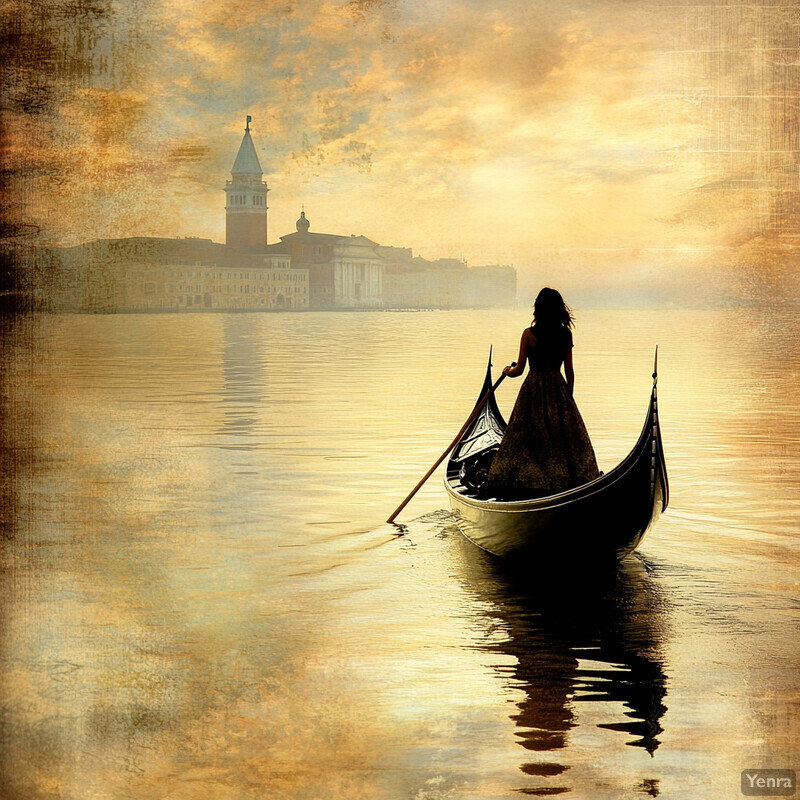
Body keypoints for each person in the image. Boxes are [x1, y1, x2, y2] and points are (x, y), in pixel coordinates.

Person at [484, 288, 600, 499]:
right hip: (558, 388)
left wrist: (506, 372)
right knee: (559, 437)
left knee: (529, 437)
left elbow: (519, 370)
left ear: (538, 308)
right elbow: (569, 370)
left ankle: (533, 480)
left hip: (533, 390)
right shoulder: (565, 334)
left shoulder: (529, 334)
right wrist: (568, 398)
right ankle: (562, 480)